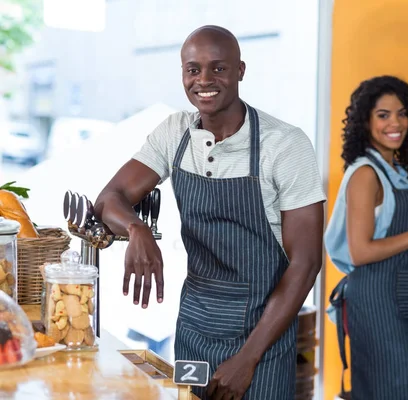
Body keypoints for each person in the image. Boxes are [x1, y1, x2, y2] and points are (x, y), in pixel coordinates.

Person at [94, 25, 326, 400]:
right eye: (192, 69)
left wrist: (247, 358)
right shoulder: (175, 133)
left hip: (261, 344)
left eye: (218, 68)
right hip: (194, 333)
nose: (204, 80)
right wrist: (136, 229)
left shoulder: (284, 145)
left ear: (240, 71)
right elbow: (109, 198)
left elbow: (306, 263)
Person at [325, 76, 408, 399]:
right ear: (365, 122)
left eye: (403, 113)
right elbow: (360, 251)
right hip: (376, 306)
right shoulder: (366, 174)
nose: (396, 123)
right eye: (383, 115)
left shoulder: (398, 171)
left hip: (401, 303)